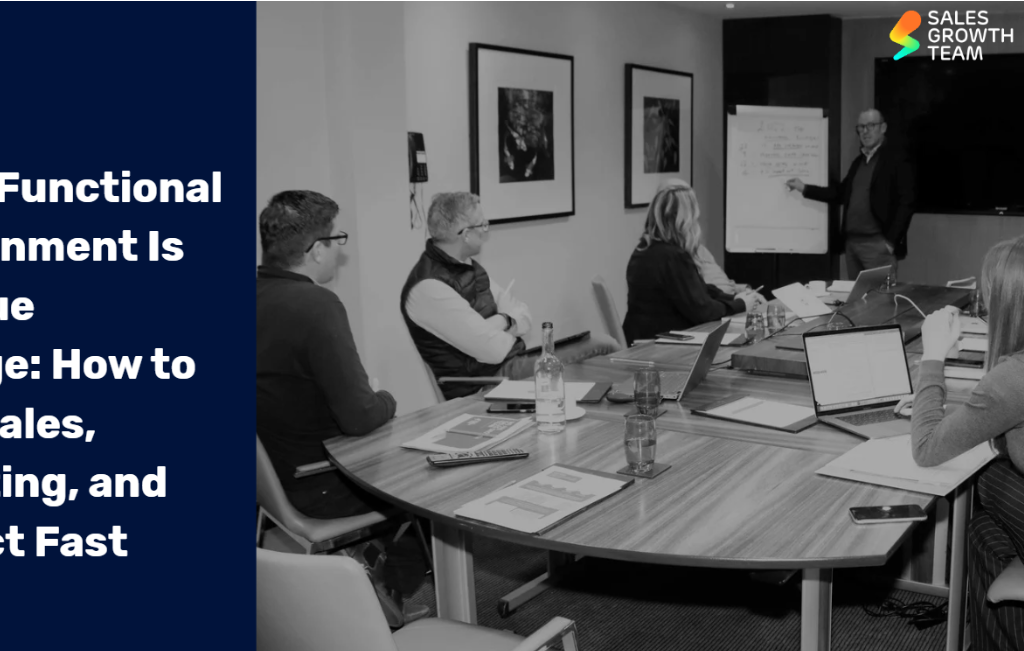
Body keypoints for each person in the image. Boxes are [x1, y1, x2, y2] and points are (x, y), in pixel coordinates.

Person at [256, 190, 428, 627]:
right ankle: (389, 603)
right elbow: (360, 417)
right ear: (316, 250)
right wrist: (388, 399)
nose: (339, 249)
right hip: (318, 483)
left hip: (270, 475)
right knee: (428, 484)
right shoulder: (317, 305)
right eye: (336, 239)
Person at [909, 236, 1024, 650]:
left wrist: (933, 357)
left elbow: (926, 449)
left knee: (987, 480)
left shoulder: (1013, 378)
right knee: (981, 532)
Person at [401, 192, 618, 399]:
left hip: (510, 364)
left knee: (600, 346)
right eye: (482, 225)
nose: (486, 231)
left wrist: (501, 321)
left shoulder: (465, 266)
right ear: (466, 235)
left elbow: (523, 315)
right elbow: (494, 351)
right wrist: (508, 322)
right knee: (604, 346)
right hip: (485, 384)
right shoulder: (428, 288)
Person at [623, 180, 765, 343]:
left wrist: (733, 298)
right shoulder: (673, 257)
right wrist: (741, 304)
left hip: (640, 337)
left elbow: (698, 290)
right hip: (659, 344)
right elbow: (703, 311)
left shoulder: (644, 249)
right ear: (686, 219)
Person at [786, 108, 916, 279]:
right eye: (861, 127)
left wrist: (891, 241)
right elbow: (839, 193)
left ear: (883, 128)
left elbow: (907, 202)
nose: (865, 131)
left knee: (880, 296)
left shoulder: (896, 159)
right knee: (857, 296)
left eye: (870, 125)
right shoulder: (858, 162)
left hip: (877, 245)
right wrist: (804, 188)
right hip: (852, 244)